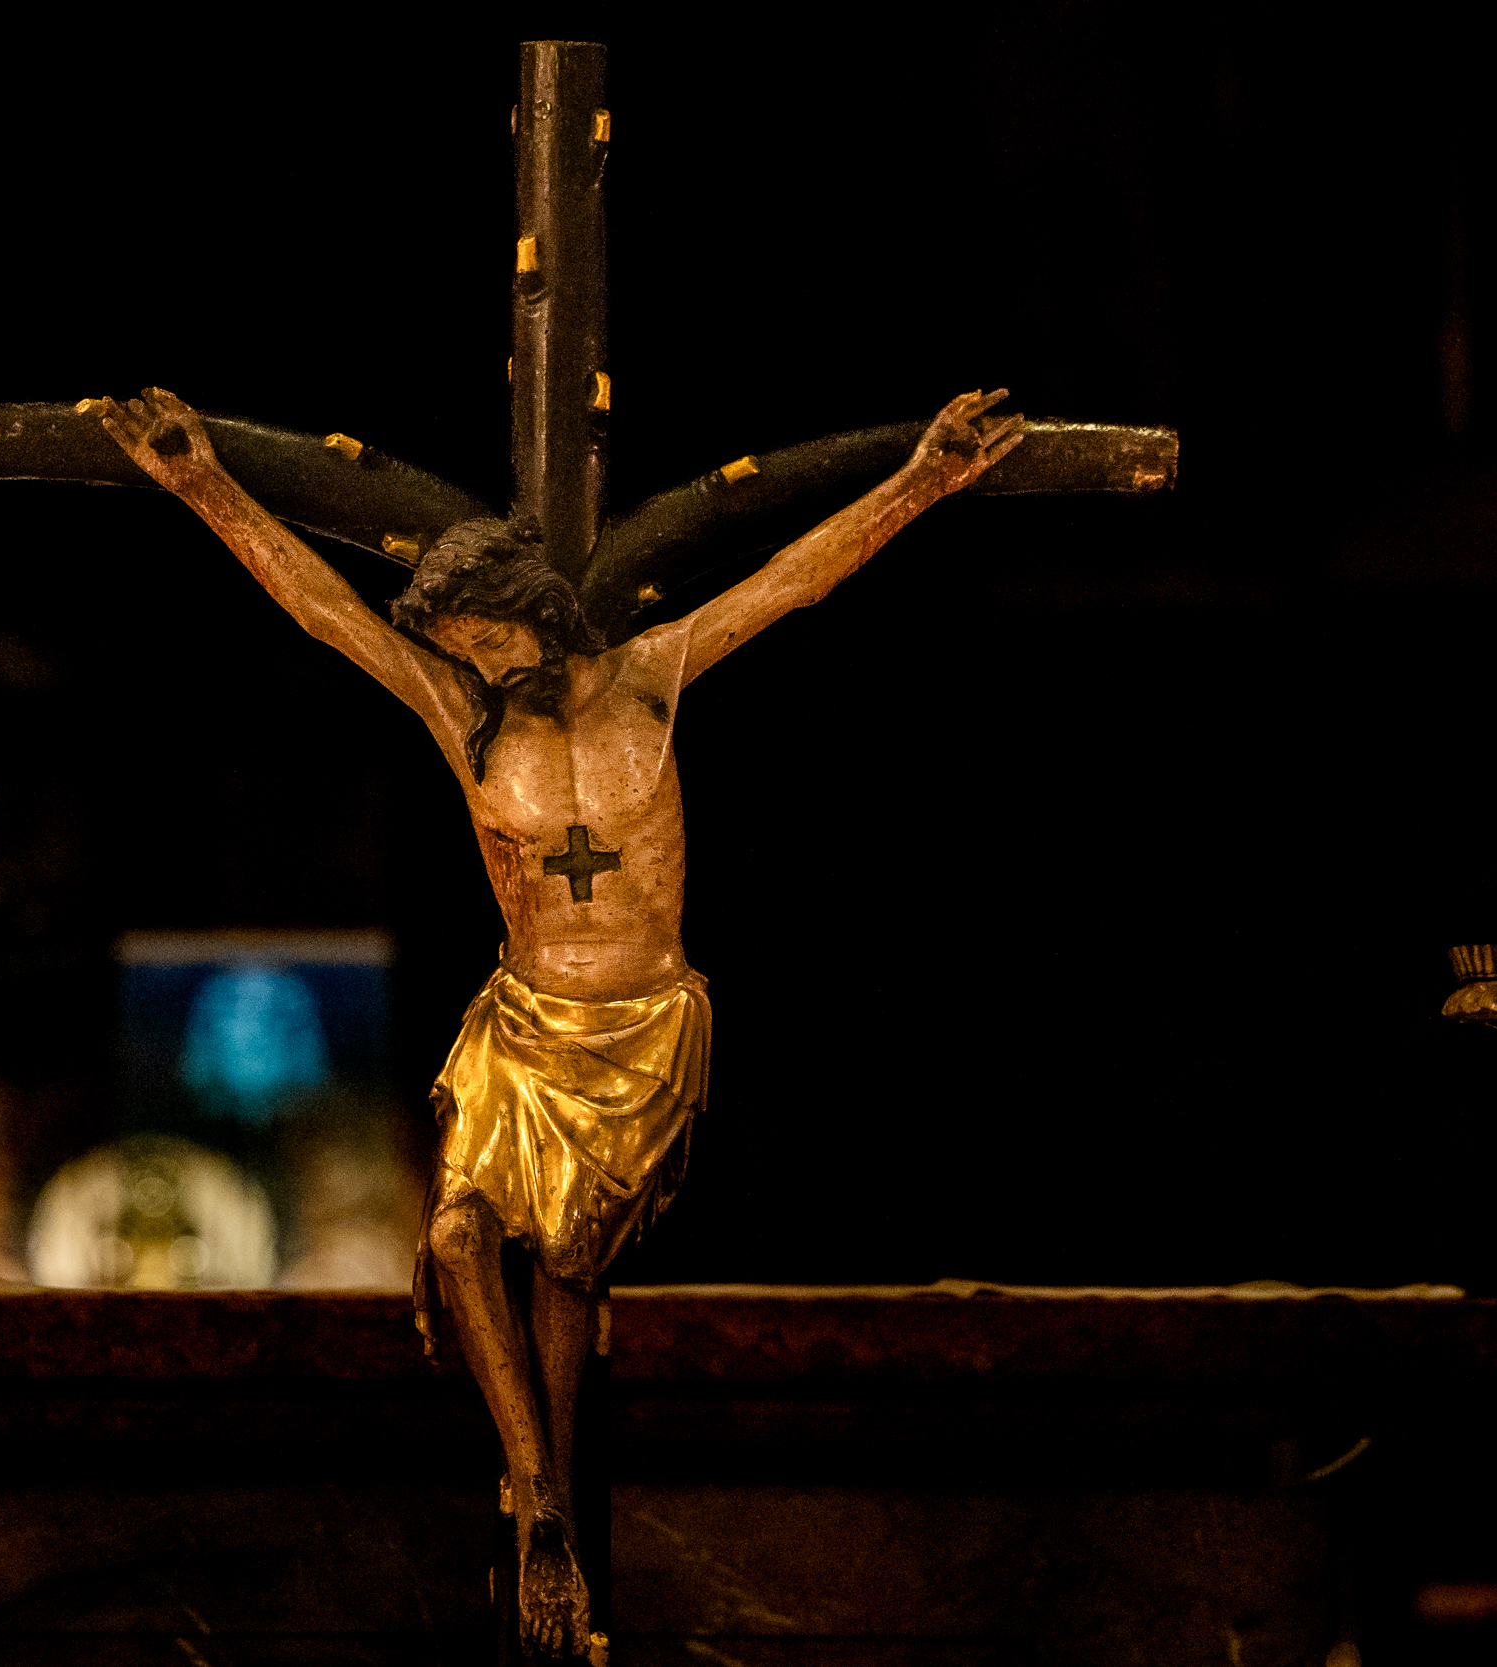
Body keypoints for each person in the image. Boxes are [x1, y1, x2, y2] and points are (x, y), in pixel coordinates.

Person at [95, 384, 1024, 1657]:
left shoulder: (653, 677)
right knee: (459, 1229)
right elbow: (322, 609)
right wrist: (204, 485)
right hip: (524, 1018)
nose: (480, 669)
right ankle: (538, 1498)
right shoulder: (459, 714)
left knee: (572, 1263)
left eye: (487, 641)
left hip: (640, 1030)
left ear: (533, 610)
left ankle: (561, 1500)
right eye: (462, 653)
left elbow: (794, 579)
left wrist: (924, 479)